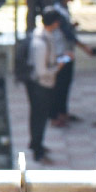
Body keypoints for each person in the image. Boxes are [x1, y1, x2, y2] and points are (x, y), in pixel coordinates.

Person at [26, 10, 68, 164]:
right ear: (55, 23)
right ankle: (37, 152)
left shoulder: (46, 36)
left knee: (40, 117)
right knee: (39, 117)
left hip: (45, 83)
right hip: (39, 85)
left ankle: (37, 144)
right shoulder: (40, 43)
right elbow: (41, 72)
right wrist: (58, 67)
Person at [47, 0, 85, 129]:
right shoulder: (58, 11)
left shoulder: (64, 10)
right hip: (59, 54)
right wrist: (85, 48)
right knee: (59, 85)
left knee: (65, 83)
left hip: (67, 53)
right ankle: (54, 116)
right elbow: (67, 33)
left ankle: (63, 112)